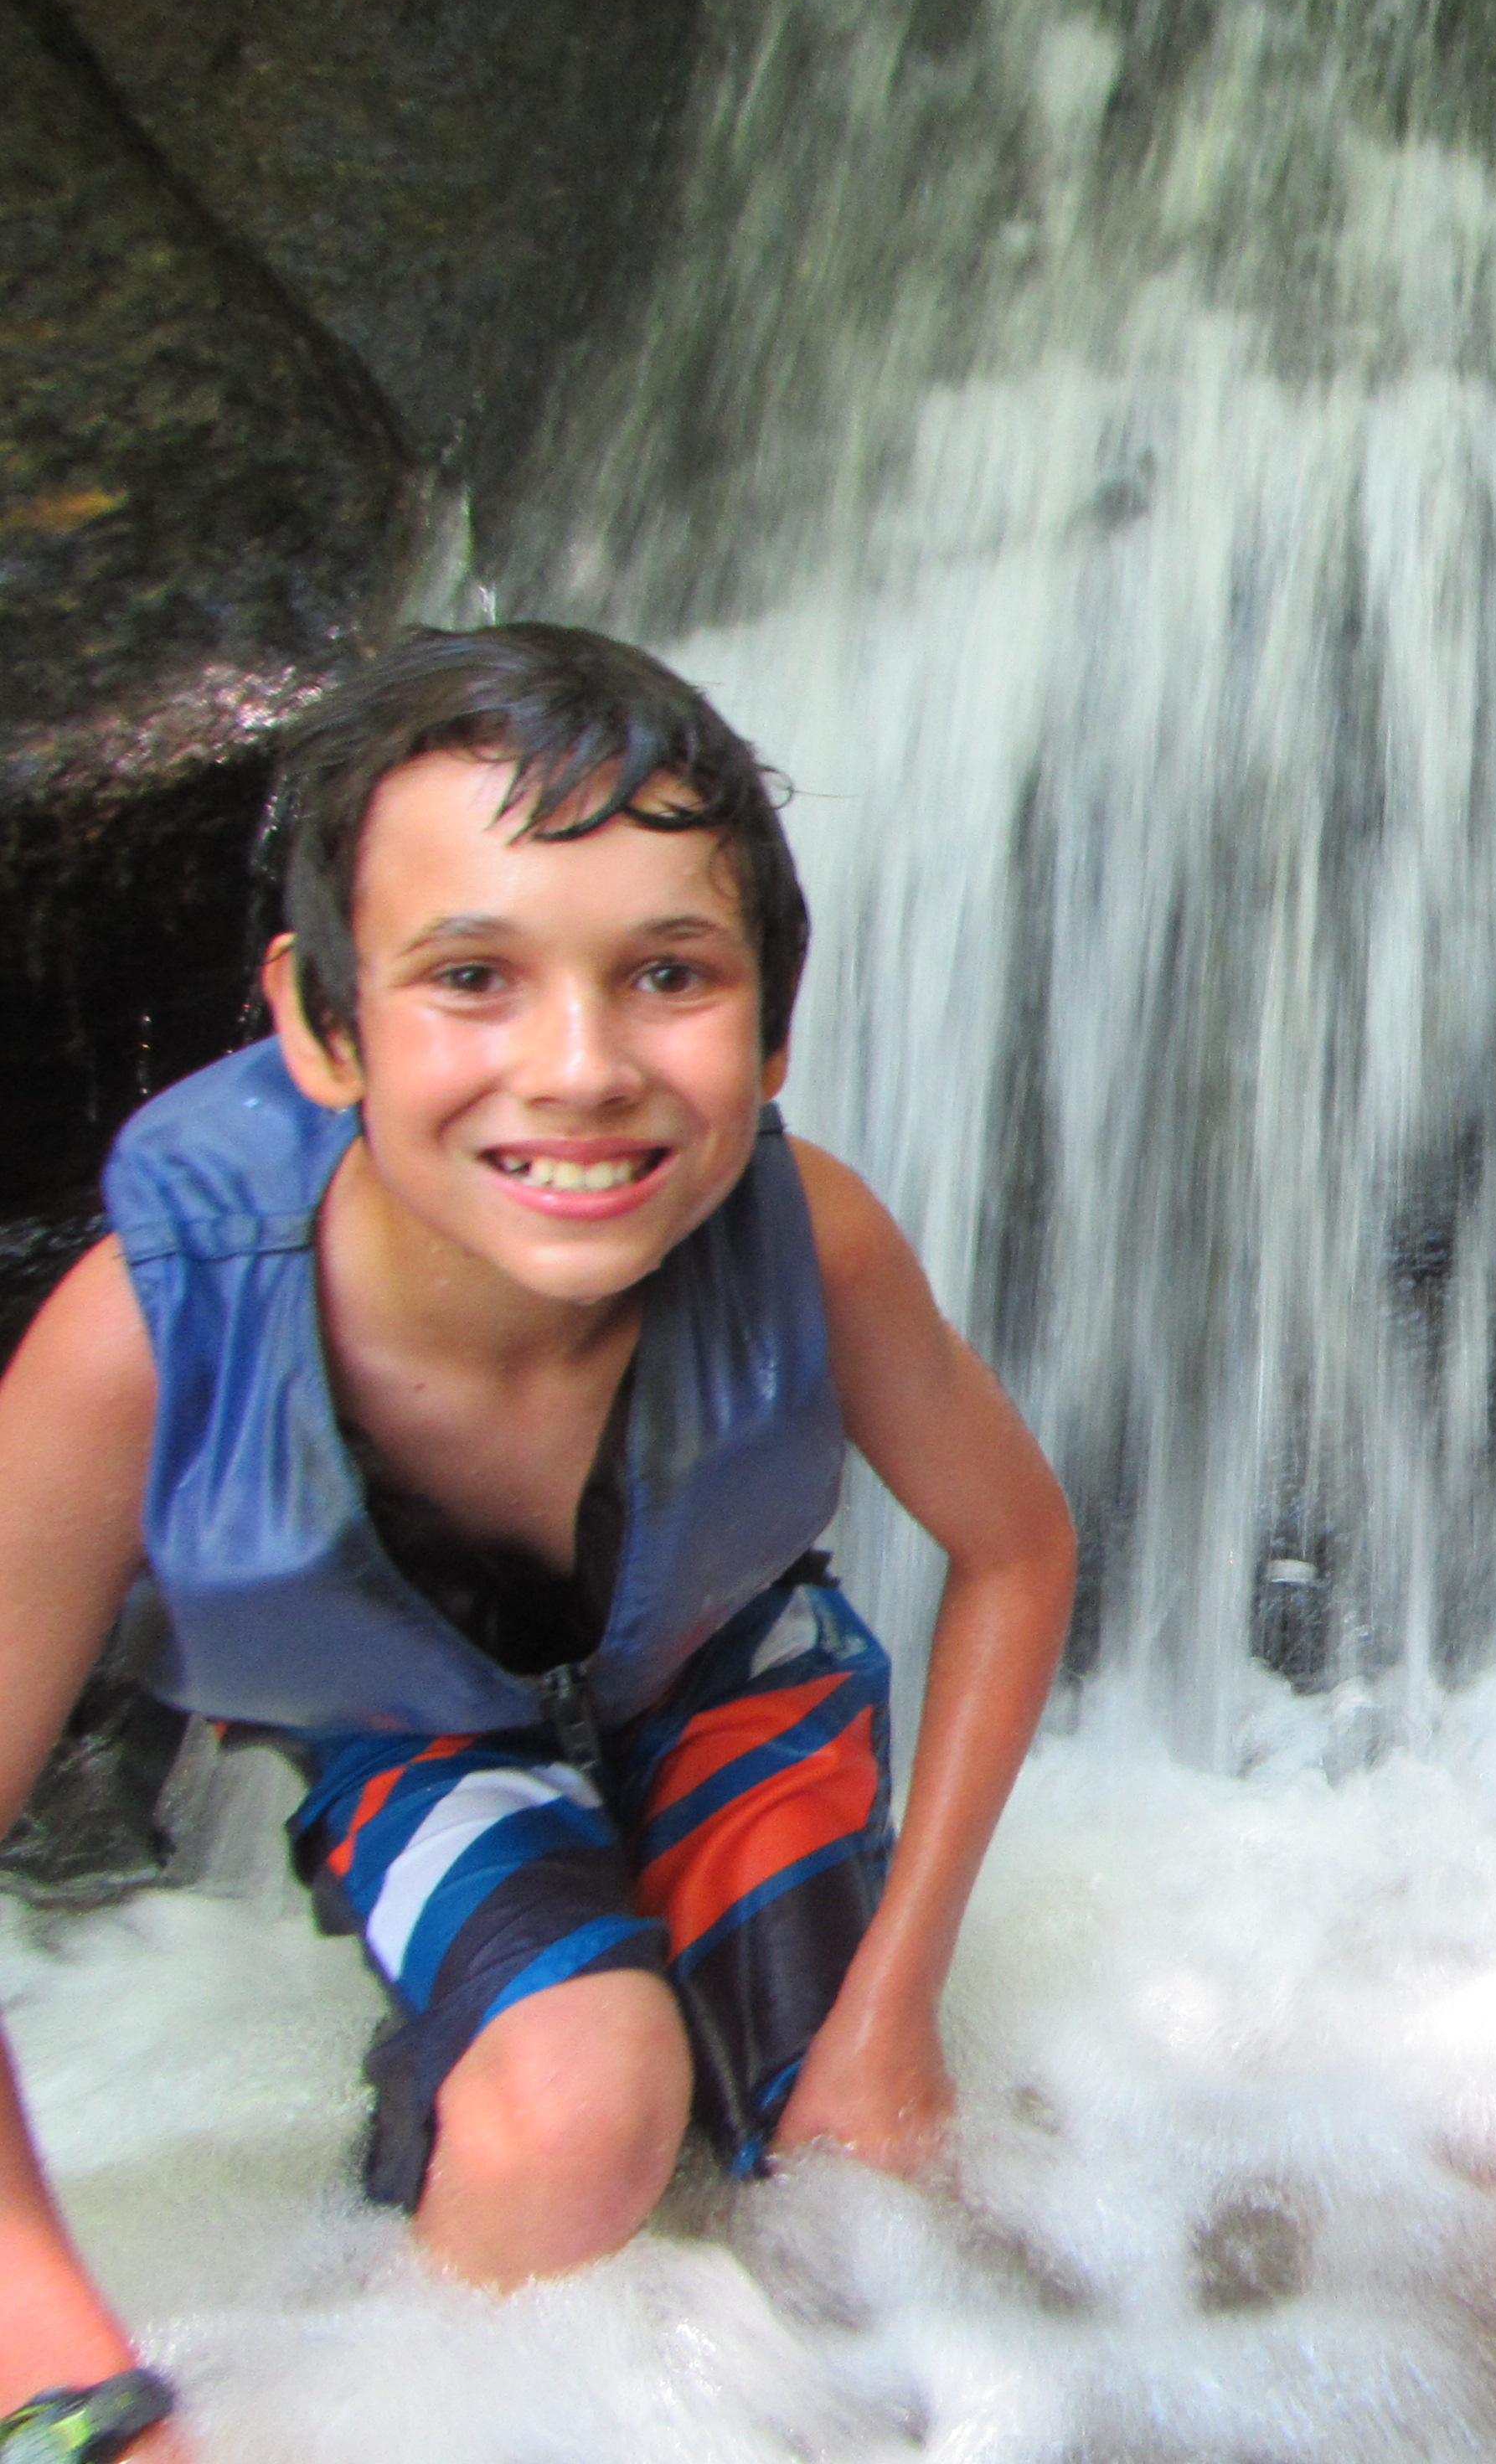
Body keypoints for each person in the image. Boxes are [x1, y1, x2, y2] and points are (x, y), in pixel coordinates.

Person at [0, 625, 1076, 2456]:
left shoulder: (809, 1237)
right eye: (472, 978)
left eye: (667, 973)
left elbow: (1016, 1546)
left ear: (773, 1024)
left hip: (715, 1662)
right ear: (320, 1026)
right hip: (417, 1726)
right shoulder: (145, 1341)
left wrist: (893, 2012)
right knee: (582, 2116)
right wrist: (62, 2383)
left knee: (867, 2206)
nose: (578, 1068)